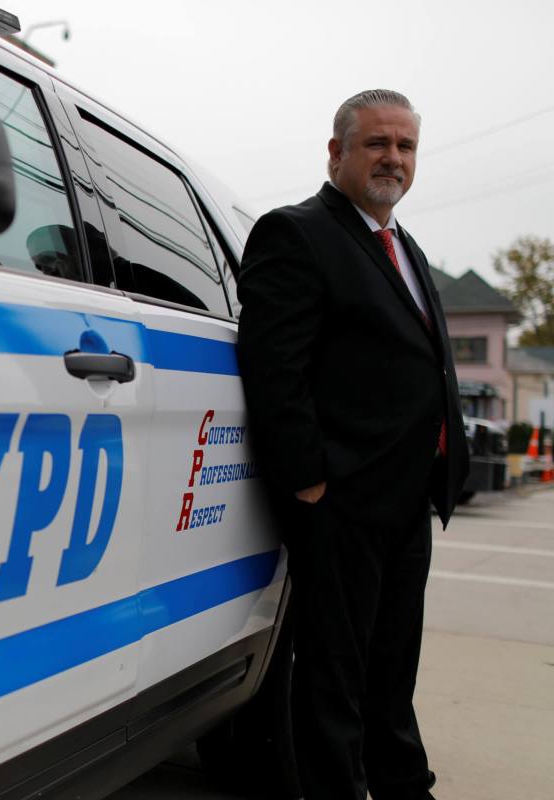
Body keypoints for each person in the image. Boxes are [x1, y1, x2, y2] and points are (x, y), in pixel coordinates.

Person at [236, 89, 469, 800]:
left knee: (392, 666)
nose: (393, 159)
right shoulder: (297, 233)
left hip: (405, 499)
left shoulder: (404, 245)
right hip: (339, 499)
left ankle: (403, 785)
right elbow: (274, 368)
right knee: (335, 674)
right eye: (377, 143)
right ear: (336, 152)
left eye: (405, 147)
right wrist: (310, 481)